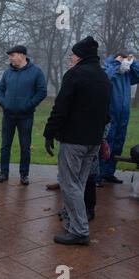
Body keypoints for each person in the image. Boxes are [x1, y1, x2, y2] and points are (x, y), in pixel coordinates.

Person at [43, 36, 111, 245]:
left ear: (80, 56)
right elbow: (106, 113)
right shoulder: (104, 78)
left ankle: (80, 230)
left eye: (73, 54)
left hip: (74, 140)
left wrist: (49, 132)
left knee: (69, 183)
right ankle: (73, 222)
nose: (71, 57)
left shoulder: (75, 75)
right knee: (79, 183)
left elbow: (61, 107)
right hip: (93, 140)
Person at [0, 45, 47, 186]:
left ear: (22, 55)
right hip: (8, 116)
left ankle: (24, 174)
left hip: (26, 116)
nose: (10, 58)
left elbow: (42, 91)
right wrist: (4, 103)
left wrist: (29, 105)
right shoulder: (7, 73)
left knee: (25, 146)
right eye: (10, 56)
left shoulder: (36, 72)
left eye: (12, 55)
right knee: (5, 145)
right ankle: (3, 173)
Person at [98, 53, 139, 184]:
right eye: (123, 59)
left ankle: (109, 173)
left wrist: (133, 63)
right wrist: (116, 64)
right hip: (110, 114)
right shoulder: (108, 68)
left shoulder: (127, 74)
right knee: (105, 144)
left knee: (117, 144)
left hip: (123, 115)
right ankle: (98, 174)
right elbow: (107, 76)